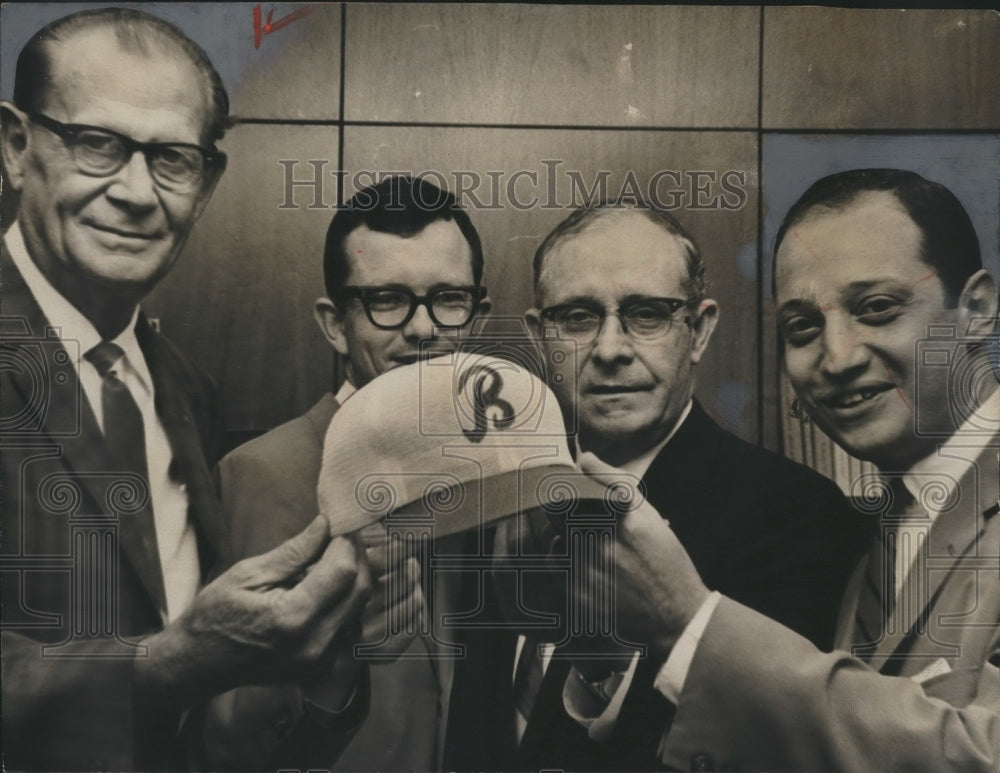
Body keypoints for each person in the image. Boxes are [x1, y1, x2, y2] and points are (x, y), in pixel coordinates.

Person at [0, 9, 370, 770]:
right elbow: (180, 659)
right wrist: (172, 662)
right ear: (15, 146)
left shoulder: (184, 387)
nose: (136, 192)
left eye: (171, 158)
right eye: (97, 144)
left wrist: (322, 657)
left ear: (206, 183)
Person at [574, 170, 999, 771]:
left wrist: (691, 623)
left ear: (977, 310)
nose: (838, 356)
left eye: (877, 308)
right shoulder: (864, 529)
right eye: (803, 326)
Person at [446, 199, 867, 771]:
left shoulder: (799, 519)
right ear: (539, 337)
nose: (612, 349)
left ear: (699, 331)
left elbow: (770, 746)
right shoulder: (493, 504)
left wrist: (601, 674)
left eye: (646, 314)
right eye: (577, 316)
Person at [213, 175, 492, 771]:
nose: (423, 330)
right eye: (386, 300)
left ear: (477, 316)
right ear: (335, 323)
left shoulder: (488, 473)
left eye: (448, 299)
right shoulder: (259, 474)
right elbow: (225, 736)